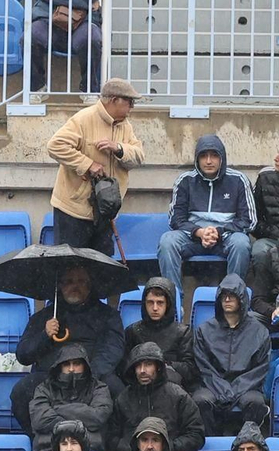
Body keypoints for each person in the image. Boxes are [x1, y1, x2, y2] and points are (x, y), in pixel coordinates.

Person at [12, 265, 125, 435]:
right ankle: (41, 439)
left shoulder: (107, 315)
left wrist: (88, 376)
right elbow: (23, 355)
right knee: (21, 391)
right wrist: (45, 335)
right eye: (69, 281)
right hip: (51, 381)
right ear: (59, 285)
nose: (75, 286)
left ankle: (107, 445)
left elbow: (112, 349)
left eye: (81, 281)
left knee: (118, 392)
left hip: (92, 379)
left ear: (90, 285)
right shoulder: (44, 317)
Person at [46, 80, 144, 255]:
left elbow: (138, 156)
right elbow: (55, 146)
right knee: (70, 268)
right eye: (129, 102)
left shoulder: (125, 126)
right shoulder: (84, 119)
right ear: (115, 100)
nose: (132, 107)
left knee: (101, 270)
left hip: (106, 211)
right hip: (73, 210)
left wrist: (119, 148)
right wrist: (87, 164)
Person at [158, 136, 255, 291]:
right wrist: (199, 232)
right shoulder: (185, 180)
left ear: (222, 158)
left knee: (241, 243)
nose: (208, 161)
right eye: (203, 156)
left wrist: (218, 232)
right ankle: (173, 301)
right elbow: (176, 219)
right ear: (197, 159)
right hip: (193, 238)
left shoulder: (239, 180)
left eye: (214, 155)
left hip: (226, 238)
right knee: (167, 241)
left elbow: (249, 220)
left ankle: (233, 296)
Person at [191, 276, 271, 434]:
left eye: (232, 295)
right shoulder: (204, 330)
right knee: (201, 400)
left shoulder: (259, 331)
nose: (227, 299)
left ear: (242, 299)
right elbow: (203, 366)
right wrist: (221, 388)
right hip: (212, 385)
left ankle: (249, 445)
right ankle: (210, 446)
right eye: (223, 295)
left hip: (247, 387)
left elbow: (260, 368)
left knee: (255, 402)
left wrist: (235, 389)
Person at [106, 342, 204, 451]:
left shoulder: (178, 396)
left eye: (148, 364)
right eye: (138, 366)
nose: (142, 370)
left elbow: (196, 434)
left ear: (158, 367)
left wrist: (166, 449)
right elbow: (111, 438)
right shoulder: (123, 399)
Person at [29, 346, 112, 451]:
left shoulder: (99, 388)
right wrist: (81, 418)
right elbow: (40, 420)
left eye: (77, 363)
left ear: (85, 366)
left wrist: (57, 409)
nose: (71, 369)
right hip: (48, 450)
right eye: (66, 364)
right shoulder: (44, 388)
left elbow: (98, 417)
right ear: (59, 367)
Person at [123, 279, 196, 390]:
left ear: (168, 304)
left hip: (173, 390)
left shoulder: (183, 333)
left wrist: (162, 365)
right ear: (144, 304)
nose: (155, 308)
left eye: (160, 302)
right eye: (150, 302)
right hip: (139, 388)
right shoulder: (132, 331)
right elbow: (124, 367)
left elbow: (190, 371)